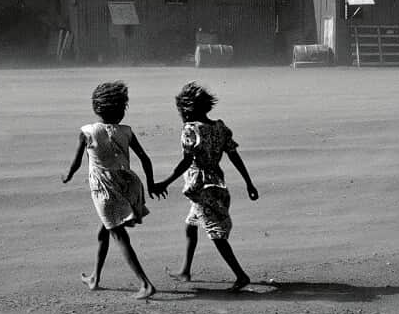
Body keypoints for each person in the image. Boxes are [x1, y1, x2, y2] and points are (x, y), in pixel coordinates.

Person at [152, 81, 259, 292]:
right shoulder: (220, 128)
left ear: (187, 110)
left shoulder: (190, 130)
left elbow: (185, 162)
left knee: (214, 232)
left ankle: (241, 275)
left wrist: (164, 182)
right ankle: (185, 270)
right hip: (216, 182)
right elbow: (234, 156)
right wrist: (248, 182)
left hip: (200, 187)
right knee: (191, 225)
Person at [62, 81, 161, 299]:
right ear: (122, 110)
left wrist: (68, 176)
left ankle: (145, 283)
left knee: (117, 233)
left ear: (96, 107)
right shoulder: (126, 131)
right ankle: (95, 277)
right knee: (104, 232)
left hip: (105, 190)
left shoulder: (87, 131)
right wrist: (152, 184)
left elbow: (77, 162)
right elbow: (145, 158)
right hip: (128, 184)